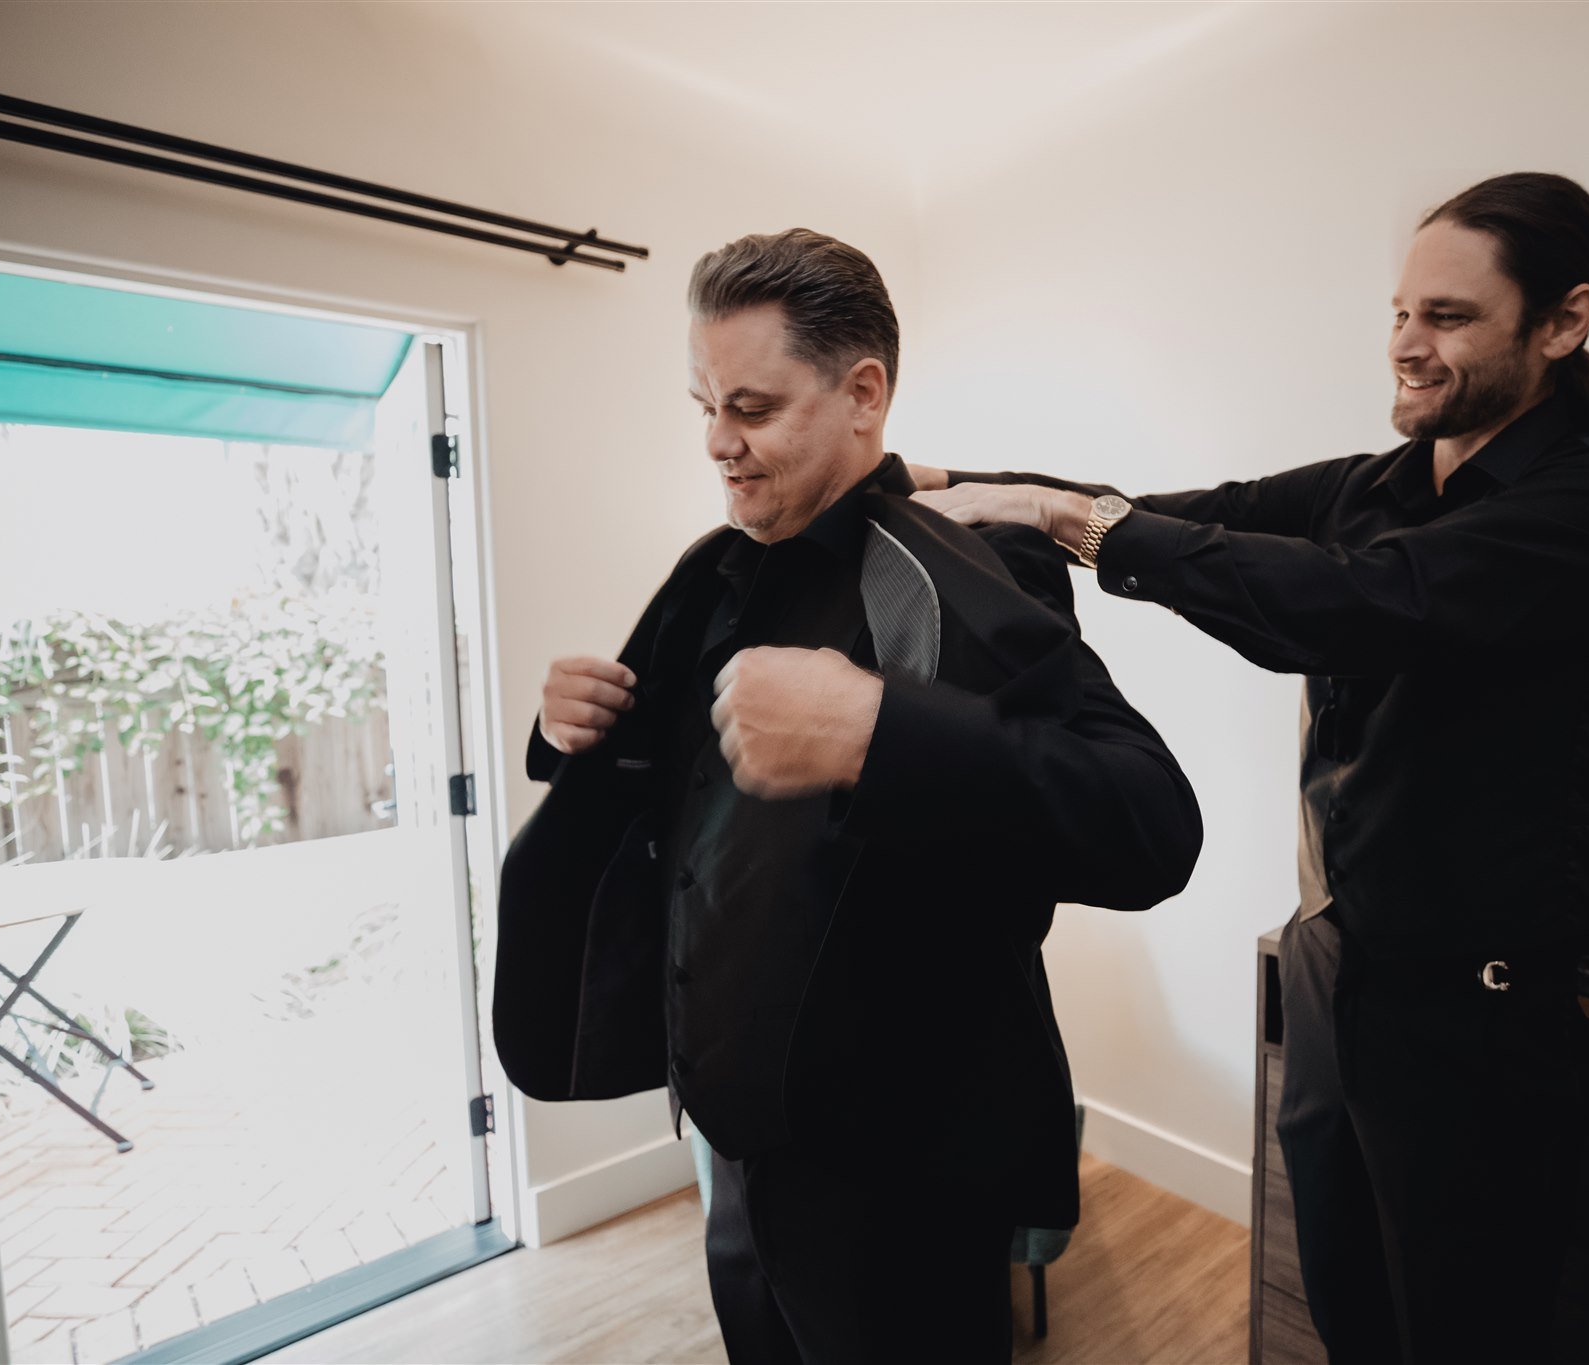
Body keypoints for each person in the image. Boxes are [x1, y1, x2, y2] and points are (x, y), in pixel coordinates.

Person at [909, 172, 1589, 1363]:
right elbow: (1175, 515)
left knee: (1458, 1331)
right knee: (1340, 1308)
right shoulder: (1370, 486)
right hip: (1333, 963)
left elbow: (1366, 607)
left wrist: (1065, 517)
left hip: (1474, 1008)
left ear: (1563, 321)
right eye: (1397, 311)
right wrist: (947, 487)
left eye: (1446, 317)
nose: (1405, 346)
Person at [490, 228, 1203, 1364]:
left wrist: (882, 735)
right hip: (732, 1144)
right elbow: (678, 797)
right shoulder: (714, 574)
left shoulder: (964, 567)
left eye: (754, 408)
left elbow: (1149, 822)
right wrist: (564, 726)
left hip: (898, 1179)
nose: (718, 443)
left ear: (861, 393)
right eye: (704, 405)